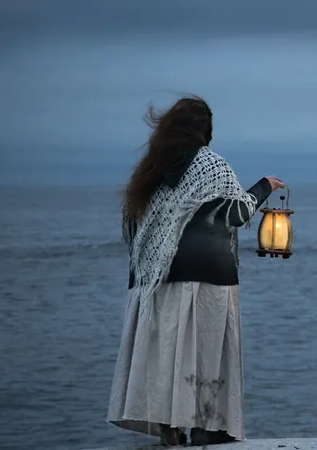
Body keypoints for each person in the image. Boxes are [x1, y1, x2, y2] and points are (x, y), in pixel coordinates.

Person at [106, 95, 285, 446]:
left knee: (165, 356)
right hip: (210, 276)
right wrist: (263, 186)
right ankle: (209, 427)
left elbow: (136, 228)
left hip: (156, 281)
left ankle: (168, 426)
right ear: (206, 130)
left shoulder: (151, 170)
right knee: (208, 355)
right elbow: (237, 214)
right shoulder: (211, 165)